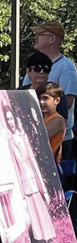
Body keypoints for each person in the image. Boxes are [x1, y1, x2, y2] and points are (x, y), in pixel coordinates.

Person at [3, 101, 59, 243]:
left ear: (15, 120)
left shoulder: (23, 138)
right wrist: (21, 194)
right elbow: (15, 166)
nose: (11, 122)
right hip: (26, 191)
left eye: (12, 118)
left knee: (48, 232)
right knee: (40, 235)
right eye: (7, 119)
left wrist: (44, 190)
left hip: (36, 187)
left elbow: (33, 164)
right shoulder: (10, 141)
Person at [24, 20, 77, 160]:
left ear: (52, 39)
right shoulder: (33, 66)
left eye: (40, 34)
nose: (35, 37)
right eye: (36, 70)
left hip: (59, 140)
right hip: (31, 137)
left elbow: (68, 103)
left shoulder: (66, 67)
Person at [19, 51, 68, 119]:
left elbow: (61, 121)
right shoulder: (20, 92)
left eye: (46, 69)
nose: (42, 72)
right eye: (37, 68)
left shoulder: (56, 93)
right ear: (28, 71)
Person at [36, 82, 66, 161]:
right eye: (39, 98)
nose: (41, 102)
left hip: (49, 165)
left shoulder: (57, 120)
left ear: (57, 100)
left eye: (45, 98)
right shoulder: (40, 118)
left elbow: (38, 138)